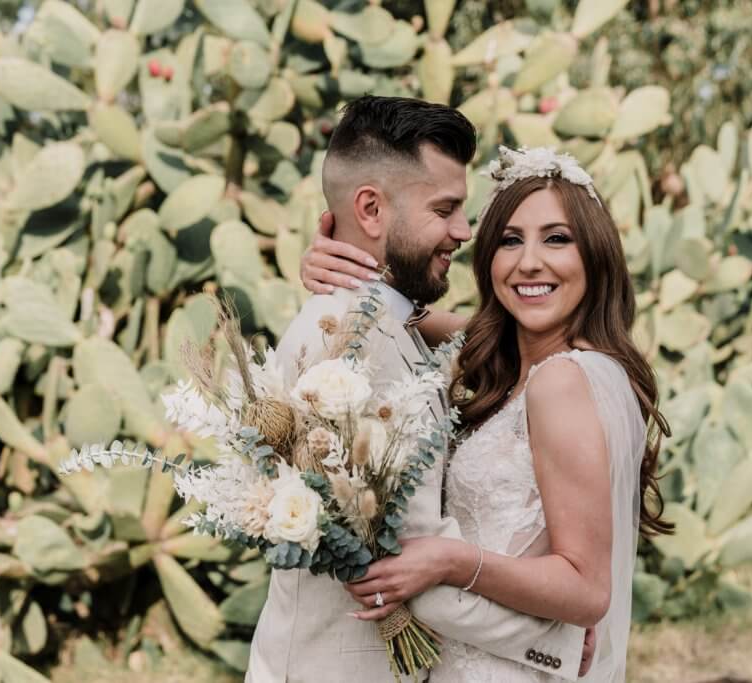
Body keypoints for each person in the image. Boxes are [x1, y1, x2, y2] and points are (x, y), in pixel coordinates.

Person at [247, 98, 591, 682]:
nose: (463, 231)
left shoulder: (377, 321)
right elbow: (410, 568)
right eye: (445, 209)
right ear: (372, 209)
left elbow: (492, 340)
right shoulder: (354, 348)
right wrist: (554, 642)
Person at [301, 145, 672, 682]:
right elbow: (395, 314)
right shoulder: (513, 353)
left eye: (557, 239)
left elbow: (587, 590)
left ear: (595, 254)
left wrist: (449, 561)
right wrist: (333, 260)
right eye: (509, 240)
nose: (529, 262)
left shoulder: (562, 382)